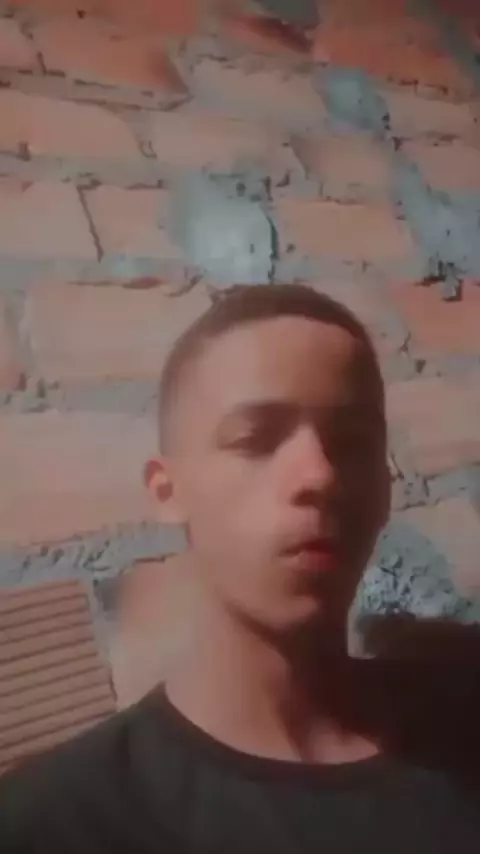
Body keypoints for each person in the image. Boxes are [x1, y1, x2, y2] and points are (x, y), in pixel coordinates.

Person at [1, 283, 479, 852]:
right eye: (256, 439)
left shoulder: (462, 721)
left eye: (352, 442)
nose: (319, 475)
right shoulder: (55, 823)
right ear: (167, 491)